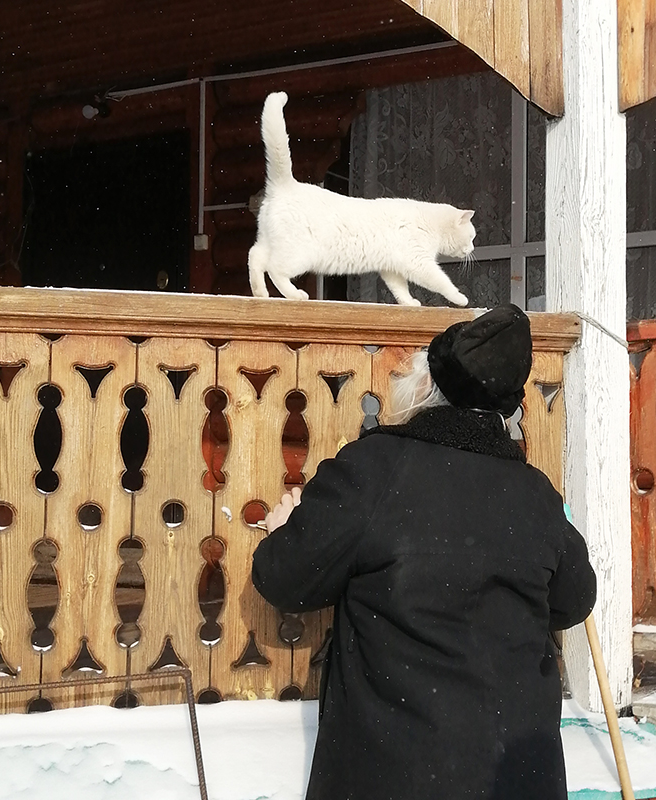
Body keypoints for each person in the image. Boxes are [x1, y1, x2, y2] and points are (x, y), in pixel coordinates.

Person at [251, 304, 597, 800]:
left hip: (398, 776)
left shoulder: (375, 470)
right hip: (516, 779)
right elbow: (575, 598)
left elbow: (285, 577)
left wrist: (286, 528)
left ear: (426, 388)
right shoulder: (535, 495)